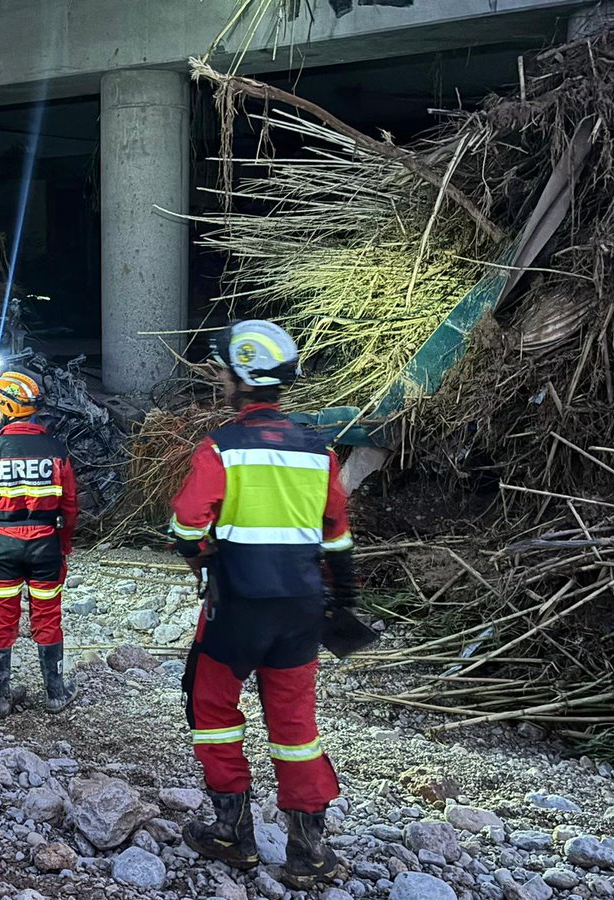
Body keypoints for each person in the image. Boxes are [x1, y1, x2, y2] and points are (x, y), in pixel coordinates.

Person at [168, 320, 356, 885]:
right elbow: (338, 537)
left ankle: (233, 834)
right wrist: (342, 602)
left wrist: (205, 559)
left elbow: (184, 524)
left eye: (224, 368)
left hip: (238, 607)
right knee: (296, 722)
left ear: (243, 377)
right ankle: (308, 851)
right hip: (302, 608)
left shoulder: (221, 447)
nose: (220, 376)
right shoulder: (317, 448)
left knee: (212, 709)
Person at [0, 368, 79, 717]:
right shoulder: (56, 450)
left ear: (9, 409)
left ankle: (1, 699)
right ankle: (55, 695)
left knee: (1, 621)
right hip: (46, 546)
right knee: (47, 617)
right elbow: (70, 507)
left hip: (2, 548)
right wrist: (64, 545)